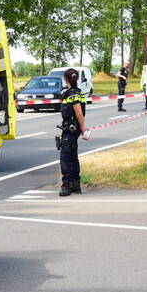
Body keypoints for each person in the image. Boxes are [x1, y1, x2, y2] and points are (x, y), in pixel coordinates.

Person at [58, 68, 87, 197]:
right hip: (74, 128)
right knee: (73, 156)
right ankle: (76, 184)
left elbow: (79, 112)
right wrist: (81, 127)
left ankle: (67, 185)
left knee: (65, 157)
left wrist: (83, 128)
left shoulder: (71, 94)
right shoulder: (79, 92)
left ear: (66, 80)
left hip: (70, 129)